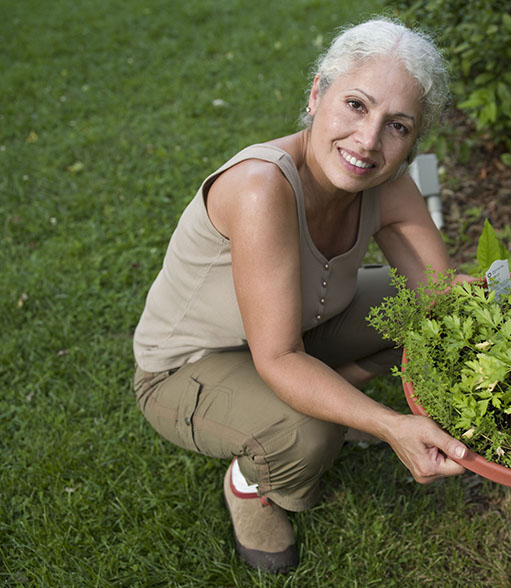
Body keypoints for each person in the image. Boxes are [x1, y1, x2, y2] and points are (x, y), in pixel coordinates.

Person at [132, 17, 469, 574]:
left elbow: (440, 297)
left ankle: (330, 405)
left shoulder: (388, 184)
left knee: (420, 315)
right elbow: (278, 356)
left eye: (397, 126)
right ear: (317, 93)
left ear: (413, 141)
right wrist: (389, 424)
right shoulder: (261, 187)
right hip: (189, 368)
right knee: (305, 433)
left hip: (300, 331)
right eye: (356, 105)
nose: (368, 140)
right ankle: (252, 483)